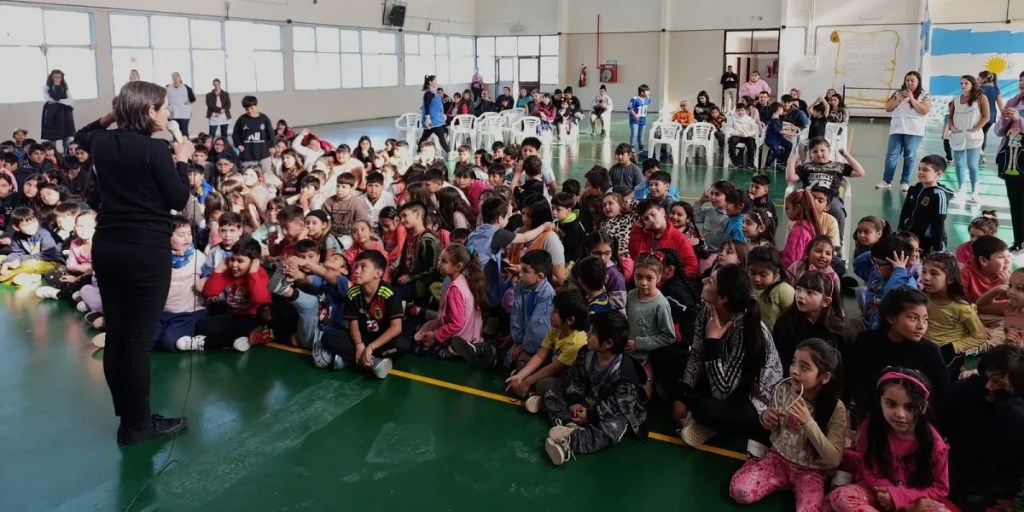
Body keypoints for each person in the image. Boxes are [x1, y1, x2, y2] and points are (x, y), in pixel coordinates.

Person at [74, 80, 194, 444]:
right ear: (148, 112)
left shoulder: (102, 142)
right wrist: (183, 160)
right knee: (138, 342)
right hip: (145, 251)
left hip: (108, 246)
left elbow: (81, 134)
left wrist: (115, 114)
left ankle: (129, 419)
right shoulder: (156, 150)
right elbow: (177, 198)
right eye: (163, 106)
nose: (168, 111)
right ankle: (139, 426)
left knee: (119, 339)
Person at [729, 339, 847, 511]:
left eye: (804, 367)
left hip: (810, 472)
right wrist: (766, 419)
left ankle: (829, 490)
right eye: (793, 362)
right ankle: (756, 463)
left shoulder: (837, 409)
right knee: (740, 492)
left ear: (824, 377)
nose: (794, 371)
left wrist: (808, 423)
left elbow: (834, 459)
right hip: (778, 460)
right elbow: (770, 427)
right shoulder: (784, 389)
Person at [674, 264, 784, 447]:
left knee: (706, 409)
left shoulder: (746, 329)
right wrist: (682, 395)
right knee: (671, 358)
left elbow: (722, 392)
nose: (703, 281)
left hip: (751, 399)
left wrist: (713, 342)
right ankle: (705, 421)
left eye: (709, 281)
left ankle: (707, 423)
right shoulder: (707, 310)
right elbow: (695, 356)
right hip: (721, 378)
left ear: (723, 298)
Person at [541, 311, 649, 466]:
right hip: (587, 402)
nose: (587, 334)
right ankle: (568, 424)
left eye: (592, 332)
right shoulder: (586, 354)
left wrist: (591, 415)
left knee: (612, 429)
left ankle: (567, 444)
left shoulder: (626, 373)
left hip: (608, 413)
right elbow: (575, 380)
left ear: (608, 343)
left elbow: (619, 406)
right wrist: (574, 402)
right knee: (551, 395)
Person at [942, 345, 1024, 512]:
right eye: (987, 377)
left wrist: (1016, 505)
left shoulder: (1017, 414)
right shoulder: (964, 390)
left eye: (999, 383)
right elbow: (939, 431)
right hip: (954, 480)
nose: (989, 386)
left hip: (998, 491)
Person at [877, 71, 933, 191]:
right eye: (907, 80)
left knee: (910, 156)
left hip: (914, 130)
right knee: (891, 155)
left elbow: (924, 110)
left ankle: (905, 181)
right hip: (897, 128)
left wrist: (912, 99)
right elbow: (887, 108)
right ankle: (887, 180)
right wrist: (897, 99)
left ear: (918, 81)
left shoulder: (925, 95)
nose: (909, 83)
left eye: (912, 80)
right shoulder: (898, 93)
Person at [898, 155, 953, 254]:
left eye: (925, 170)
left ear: (938, 174)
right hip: (911, 236)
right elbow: (905, 211)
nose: (920, 172)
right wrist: (900, 230)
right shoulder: (914, 189)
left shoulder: (939, 195)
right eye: (919, 169)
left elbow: (939, 222)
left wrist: (937, 247)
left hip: (929, 241)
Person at [232, 96, 274, 165]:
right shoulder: (242, 119)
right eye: (247, 109)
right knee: (248, 174)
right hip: (247, 156)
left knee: (267, 174)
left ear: (256, 106)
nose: (250, 111)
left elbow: (271, 134)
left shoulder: (264, 119)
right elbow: (235, 134)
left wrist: (272, 145)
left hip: (263, 155)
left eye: (252, 108)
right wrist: (239, 144)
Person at [41, 69, 75, 153]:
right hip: (52, 114)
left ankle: (67, 156)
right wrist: (56, 86)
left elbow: (71, 100)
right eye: (55, 77)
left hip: (65, 114)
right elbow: (50, 99)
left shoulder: (65, 88)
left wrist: (60, 101)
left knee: (67, 137)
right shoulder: (46, 87)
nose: (57, 79)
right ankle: (53, 156)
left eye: (59, 77)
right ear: (51, 78)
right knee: (52, 138)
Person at [418, 75, 450, 154]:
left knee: (424, 137)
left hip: (435, 120)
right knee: (441, 137)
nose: (437, 83)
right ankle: (449, 152)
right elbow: (427, 106)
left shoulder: (433, 93)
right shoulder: (428, 93)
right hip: (433, 121)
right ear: (430, 82)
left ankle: (418, 152)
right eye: (435, 81)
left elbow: (435, 106)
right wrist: (428, 118)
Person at [166, 72, 195, 137]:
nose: (175, 78)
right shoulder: (168, 88)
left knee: (184, 131)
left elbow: (192, 98)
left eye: (176, 76)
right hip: (173, 113)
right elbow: (165, 99)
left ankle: (185, 145)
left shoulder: (186, 87)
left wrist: (184, 104)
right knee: (175, 132)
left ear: (180, 77)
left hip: (184, 113)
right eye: (173, 77)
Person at [627, 84, 652, 150]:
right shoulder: (634, 99)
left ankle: (641, 147)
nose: (649, 92)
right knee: (634, 134)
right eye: (647, 91)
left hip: (643, 119)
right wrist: (635, 115)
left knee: (641, 135)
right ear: (641, 92)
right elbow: (630, 108)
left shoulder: (648, 99)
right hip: (634, 120)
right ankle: (631, 147)